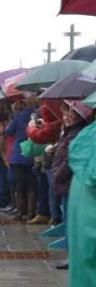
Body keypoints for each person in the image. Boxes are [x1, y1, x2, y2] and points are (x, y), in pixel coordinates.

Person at [51, 101, 95, 270]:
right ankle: (73, 255)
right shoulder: (70, 132)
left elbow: (71, 159)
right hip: (65, 183)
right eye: (65, 113)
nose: (66, 116)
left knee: (72, 222)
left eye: (70, 113)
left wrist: (58, 174)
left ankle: (74, 256)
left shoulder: (78, 134)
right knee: (69, 220)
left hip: (69, 183)